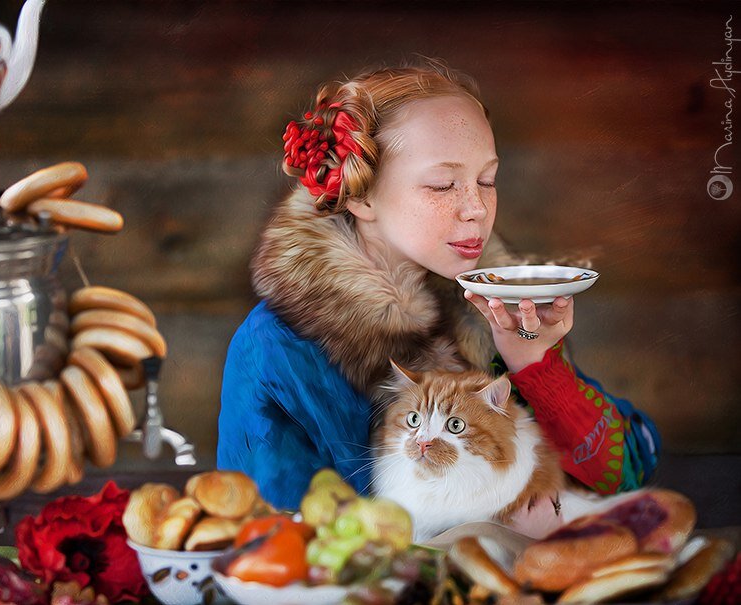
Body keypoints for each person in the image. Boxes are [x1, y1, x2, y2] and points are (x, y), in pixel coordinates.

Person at [217, 59, 660, 511]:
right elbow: (273, 540)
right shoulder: (273, 349)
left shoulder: (494, 313)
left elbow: (626, 470)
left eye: (487, 179)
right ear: (361, 196)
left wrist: (537, 366)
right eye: (443, 184)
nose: (477, 209)